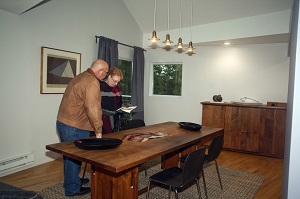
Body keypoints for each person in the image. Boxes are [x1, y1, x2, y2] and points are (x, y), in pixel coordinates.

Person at [56, 59, 109, 196]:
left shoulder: (81, 76)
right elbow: (93, 109)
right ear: (100, 71)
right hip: (74, 125)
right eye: (106, 73)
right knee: (75, 156)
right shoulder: (91, 82)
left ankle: (72, 180)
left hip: (64, 122)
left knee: (70, 156)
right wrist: (98, 130)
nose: (105, 76)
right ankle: (72, 188)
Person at [100, 67, 124, 133]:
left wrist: (125, 107)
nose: (116, 83)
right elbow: (96, 107)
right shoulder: (99, 87)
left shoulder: (117, 89)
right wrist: (111, 112)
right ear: (109, 76)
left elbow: (120, 103)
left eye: (118, 82)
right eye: (115, 81)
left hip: (115, 119)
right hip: (103, 121)